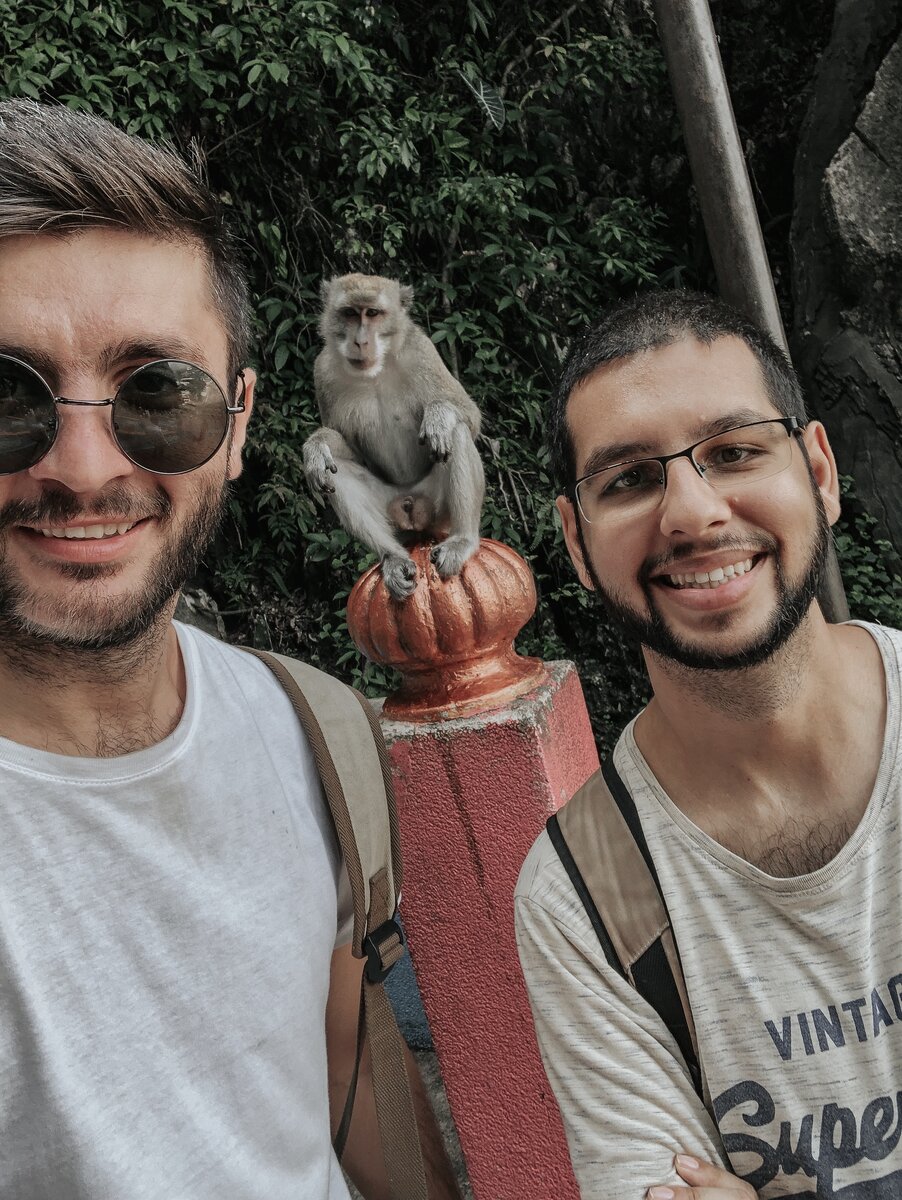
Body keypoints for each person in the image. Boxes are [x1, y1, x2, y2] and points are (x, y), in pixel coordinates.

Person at [0, 99, 454, 1199]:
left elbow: (349, 1090)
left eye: (158, 392)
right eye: (5, 395)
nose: (82, 464)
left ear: (241, 424)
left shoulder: (320, 731)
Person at [514, 290, 901, 1200]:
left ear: (820, 471)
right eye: (630, 480)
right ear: (575, 541)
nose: (691, 514)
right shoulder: (587, 896)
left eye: (734, 452)